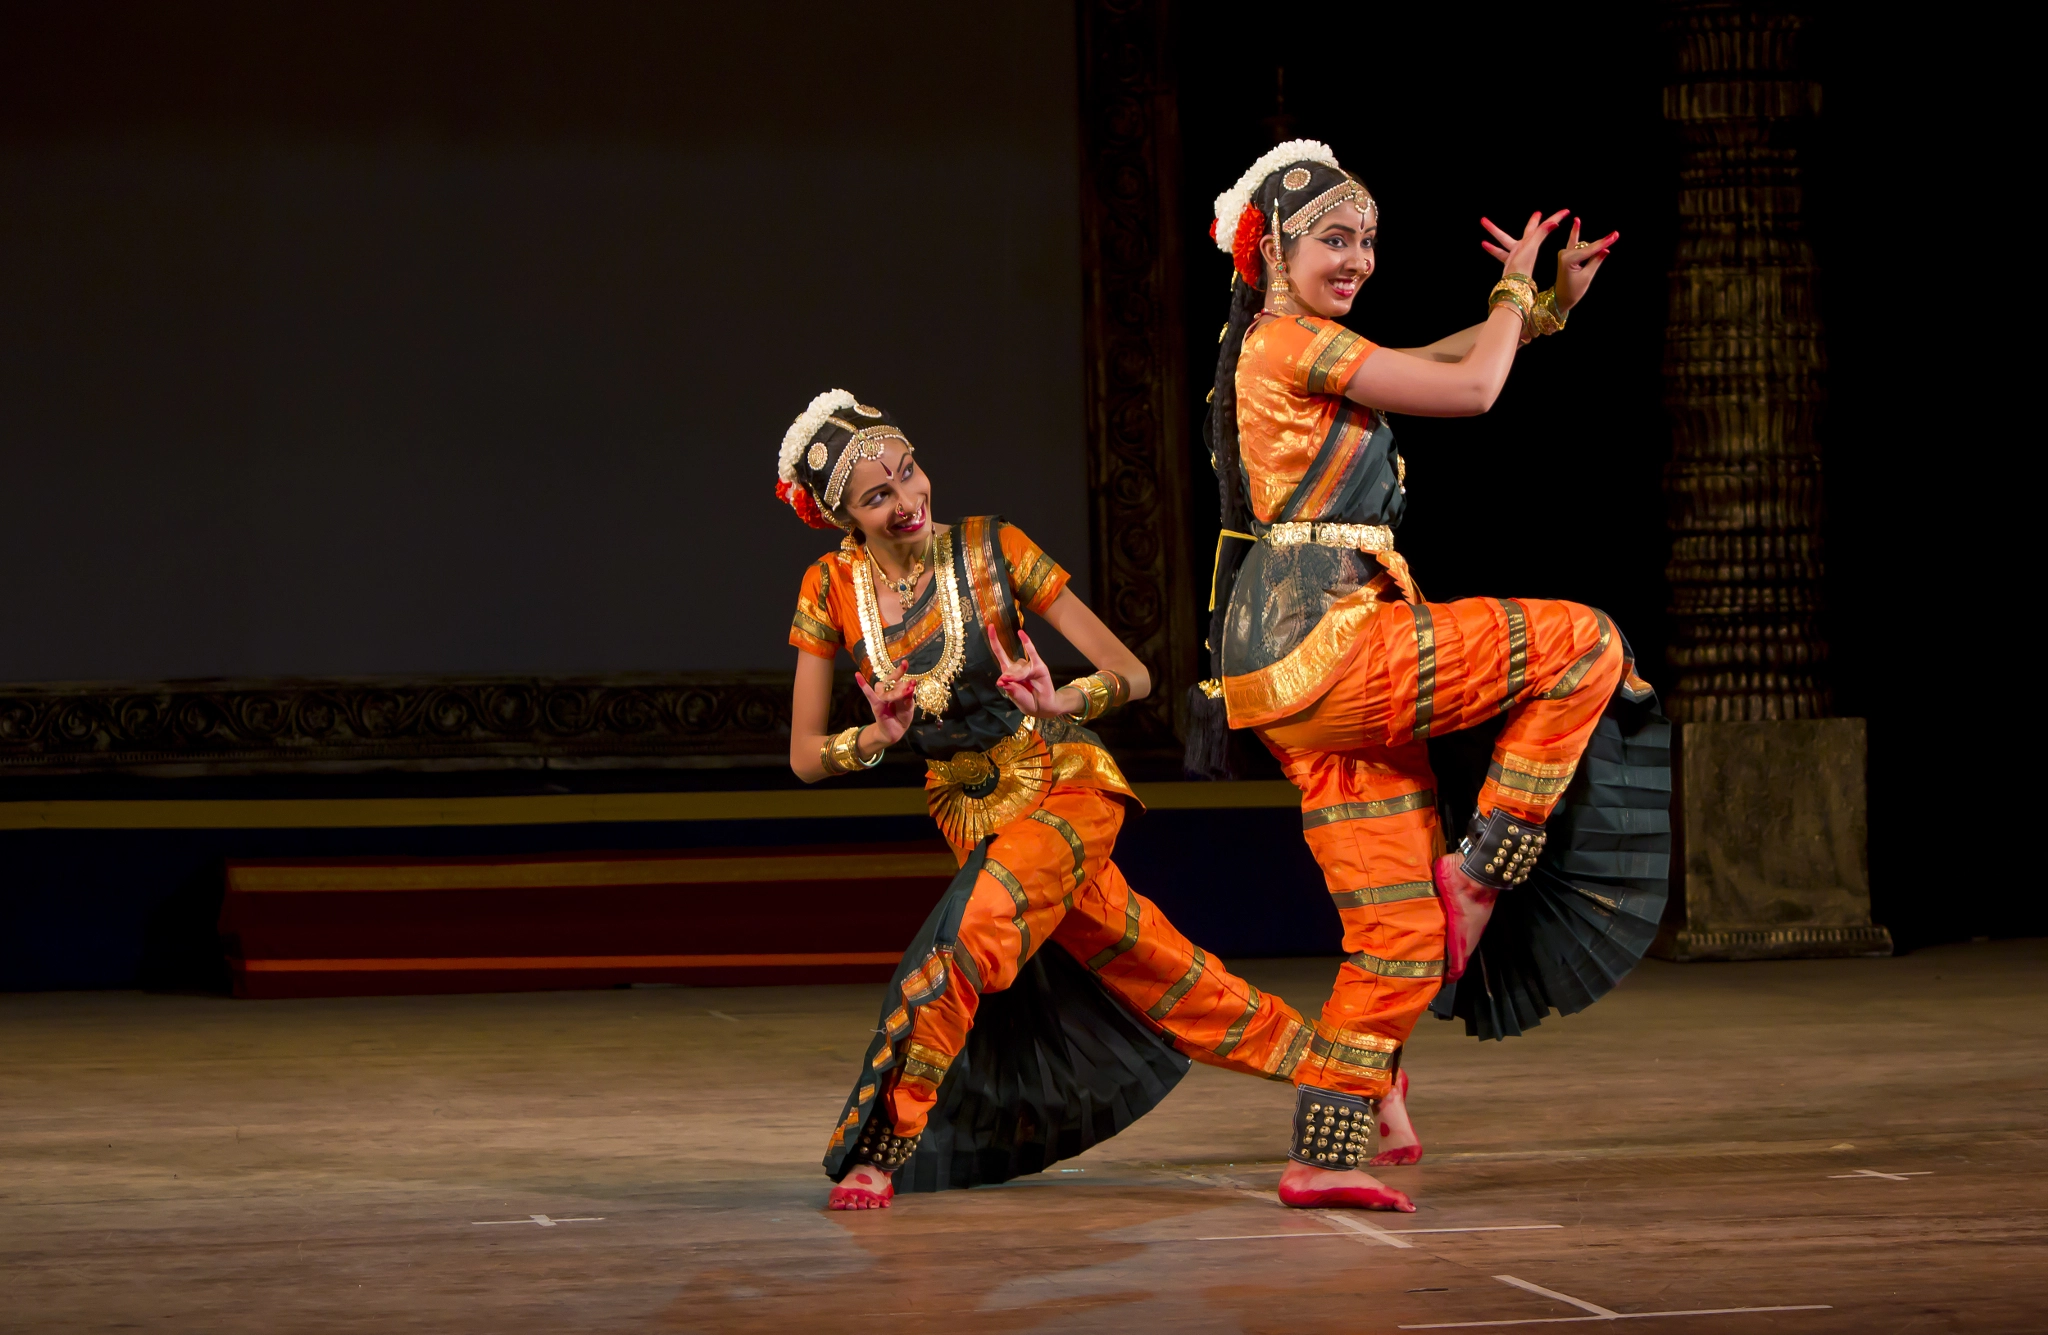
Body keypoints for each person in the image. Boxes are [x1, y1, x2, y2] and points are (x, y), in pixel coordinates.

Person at [1188, 141, 1668, 1210]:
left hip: (1290, 678)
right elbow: (1474, 390)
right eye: (1333, 239)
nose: (1355, 258)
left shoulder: (1292, 349)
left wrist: (1538, 312)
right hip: (1330, 641)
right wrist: (1511, 290)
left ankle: (1329, 1147)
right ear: (1273, 250)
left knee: (1398, 937)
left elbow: (1439, 361)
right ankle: (1484, 870)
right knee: (1581, 641)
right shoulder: (1285, 343)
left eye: (1365, 240)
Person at [778, 389, 1324, 1211]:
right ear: (845, 517)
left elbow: (1133, 674)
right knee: (1155, 967)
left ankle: (884, 1144)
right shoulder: (829, 590)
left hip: (1061, 781)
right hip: (972, 816)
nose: (908, 499)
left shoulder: (995, 547)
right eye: (877, 495)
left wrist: (1060, 698)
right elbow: (804, 757)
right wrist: (877, 741)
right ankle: (1352, 1073)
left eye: (908, 471)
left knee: (960, 946)